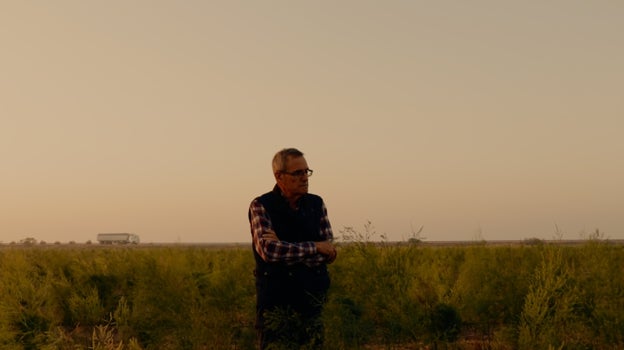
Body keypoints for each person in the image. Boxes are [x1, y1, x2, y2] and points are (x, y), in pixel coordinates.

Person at [248, 148, 337, 349]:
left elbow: (329, 251)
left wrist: (285, 245)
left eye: (307, 172)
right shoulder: (261, 205)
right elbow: (269, 252)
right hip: (277, 305)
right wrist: (315, 246)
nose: (305, 178)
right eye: (298, 173)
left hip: (312, 302)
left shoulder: (316, 203)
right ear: (279, 176)